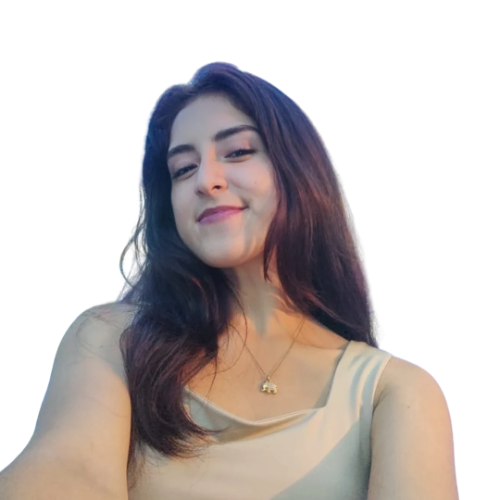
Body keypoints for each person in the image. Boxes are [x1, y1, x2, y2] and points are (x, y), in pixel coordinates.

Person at [0, 62, 459, 500]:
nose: (206, 180)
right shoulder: (111, 339)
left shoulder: (392, 392)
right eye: (183, 169)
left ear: (299, 170)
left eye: (238, 151)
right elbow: (67, 471)